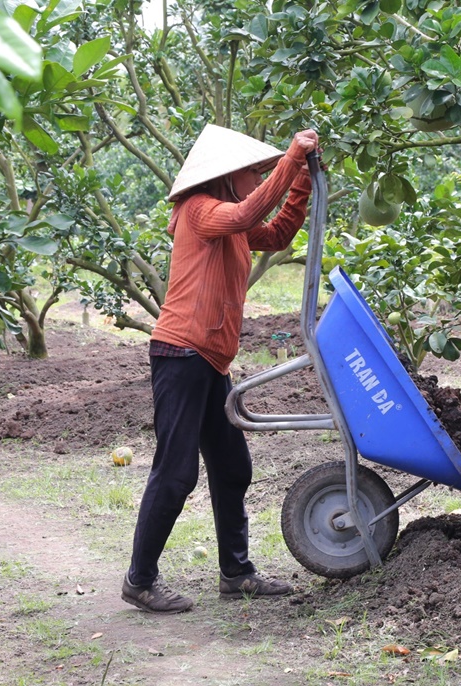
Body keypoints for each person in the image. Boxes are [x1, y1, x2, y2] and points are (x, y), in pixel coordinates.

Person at [121, 124, 318, 613]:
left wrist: (301, 183)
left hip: (208, 359)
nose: (256, 178)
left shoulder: (230, 221)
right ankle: (139, 580)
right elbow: (251, 210)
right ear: (228, 176)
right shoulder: (201, 211)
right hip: (181, 353)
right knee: (176, 470)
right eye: (252, 171)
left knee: (232, 466)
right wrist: (292, 157)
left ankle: (236, 573)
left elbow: (274, 233)